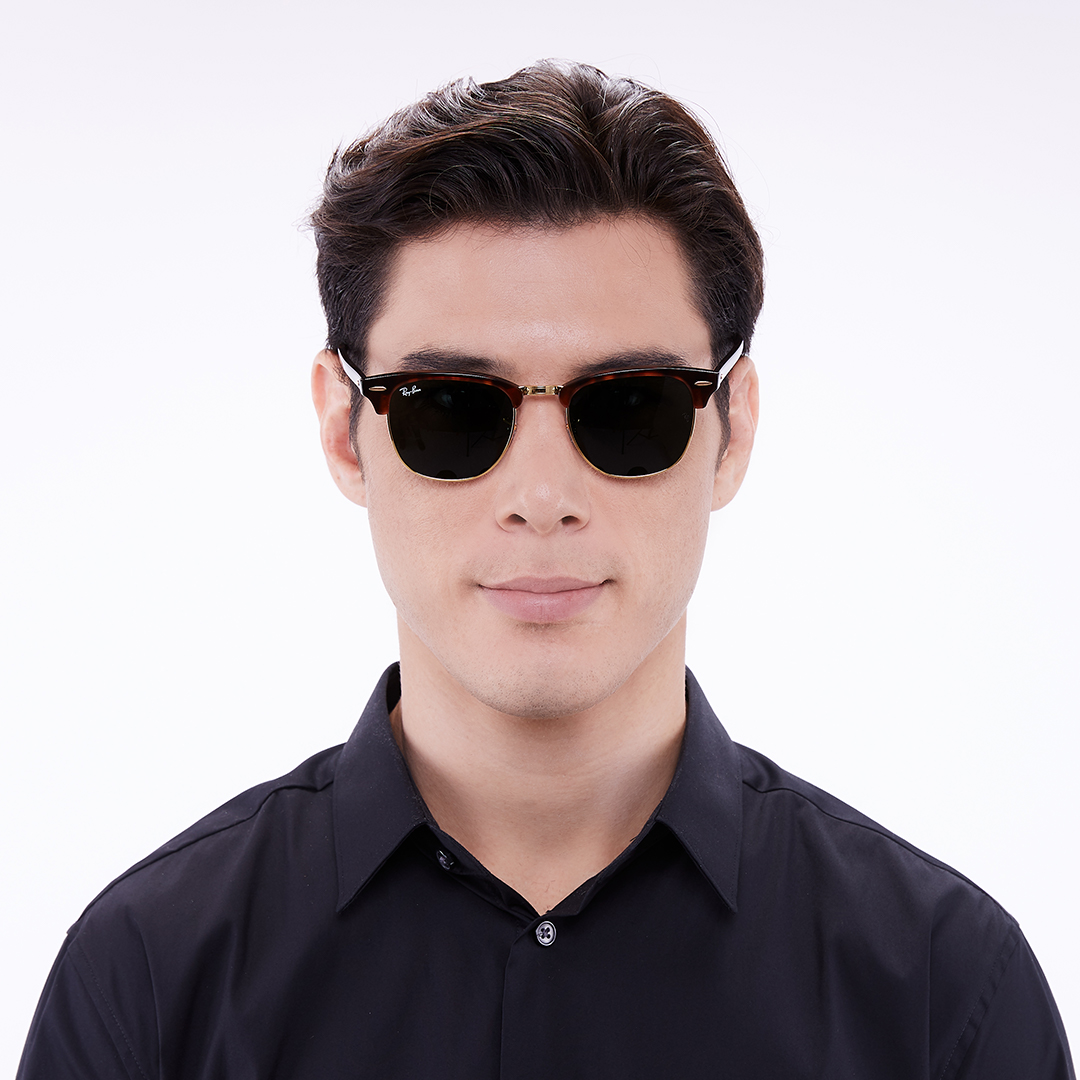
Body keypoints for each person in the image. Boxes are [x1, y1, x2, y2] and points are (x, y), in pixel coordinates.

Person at [18, 59, 1074, 1080]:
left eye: (628, 405)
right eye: (448, 409)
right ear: (344, 432)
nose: (541, 494)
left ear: (732, 430)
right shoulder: (148, 982)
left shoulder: (944, 993)